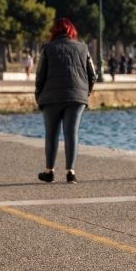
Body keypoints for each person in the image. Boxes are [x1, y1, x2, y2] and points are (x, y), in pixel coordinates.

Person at [34, 18, 94, 183]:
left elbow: (40, 75)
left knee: (51, 134)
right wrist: (86, 92)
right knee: (71, 133)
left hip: (51, 97)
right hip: (77, 97)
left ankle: (49, 171)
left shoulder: (47, 48)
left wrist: (38, 94)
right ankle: (71, 173)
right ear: (72, 31)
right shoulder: (83, 48)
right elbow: (92, 74)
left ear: (54, 31)